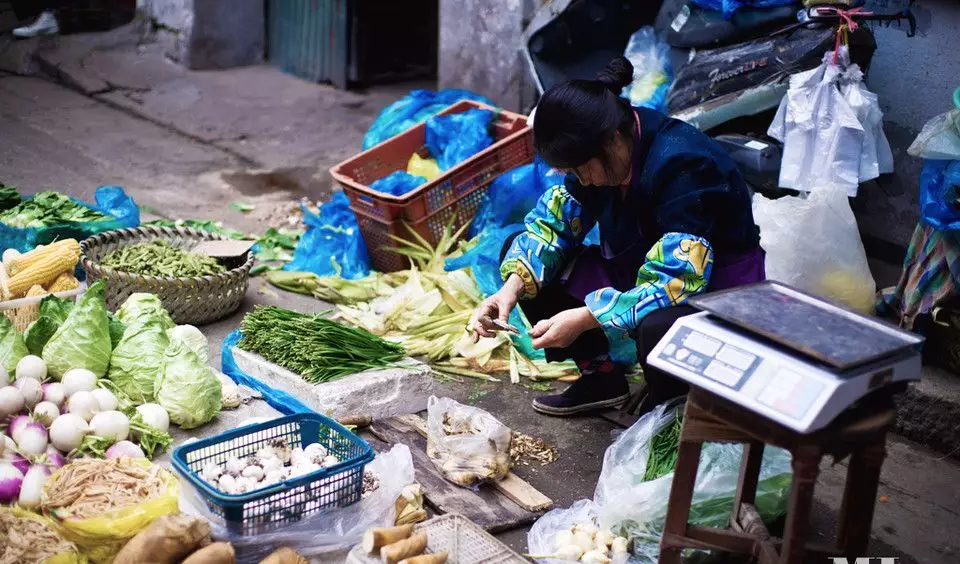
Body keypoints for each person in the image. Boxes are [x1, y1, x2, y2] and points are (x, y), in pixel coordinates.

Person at [470, 57, 765, 417]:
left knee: (659, 327)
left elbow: (676, 282)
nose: (582, 179)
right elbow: (552, 227)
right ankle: (601, 378)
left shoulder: (684, 164)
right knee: (523, 260)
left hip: (711, 289)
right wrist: (509, 290)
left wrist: (585, 317)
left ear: (612, 140)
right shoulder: (600, 158)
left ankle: (670, 400)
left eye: (582, 169)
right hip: (636, 265)